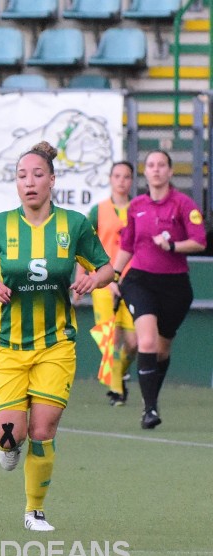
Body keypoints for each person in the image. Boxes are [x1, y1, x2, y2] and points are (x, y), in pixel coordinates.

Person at [0, 141, 113, 532]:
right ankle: (9, 445)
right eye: (22, 176)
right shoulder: (0, 226)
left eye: (38, 175)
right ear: (16, 184)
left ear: (52, 180)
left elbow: (106, 269)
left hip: (57, 343)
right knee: (9, 437)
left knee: (42, 430)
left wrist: (91, 278)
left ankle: (34, 511)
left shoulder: (74, 225)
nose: (30, 182)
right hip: (9, 347)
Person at [112, 150, 207, 430]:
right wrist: (115, 276)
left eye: (161, 165)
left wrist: (173, 246)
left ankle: (151, 395)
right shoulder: (136, 206)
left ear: (170, 171)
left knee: (162, 349)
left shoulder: (183, 204)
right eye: (150, 165)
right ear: (146, 172)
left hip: (175, 286)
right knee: (147, 343)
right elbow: (127, 245)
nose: (155, 170)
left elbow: (199, 241)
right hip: (140, 280)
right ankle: (150, 409)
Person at [74, 161, 138, 406]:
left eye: (126, 176)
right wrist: (80, 276)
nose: (122, 181)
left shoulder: (138, 208)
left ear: (132, 181)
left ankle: (119, 372)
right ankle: (117, 390)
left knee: (134, 343)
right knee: (109, 339)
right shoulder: (98, 211)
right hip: (103, 282)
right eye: (117, 176)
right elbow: (85, 246)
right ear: (111, 179)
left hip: (132, 282)